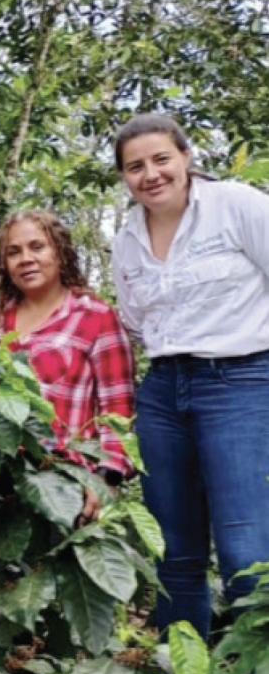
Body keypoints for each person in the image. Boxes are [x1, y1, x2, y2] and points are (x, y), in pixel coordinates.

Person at [111, 113, 269, 639]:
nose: (150, 174)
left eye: (161, 159)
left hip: (242, 383)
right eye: (135, 167)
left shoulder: (237, 205)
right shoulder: (126, 239)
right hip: (162, 392)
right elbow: (134, 320)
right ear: (124, 177)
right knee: (174, 552)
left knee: (246, 554)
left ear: (185, 157)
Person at [0, 211, 135, 518]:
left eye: (37, 247)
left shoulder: (94, 315)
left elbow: (117, 406)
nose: (26, 259)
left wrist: (104, 479)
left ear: (59, 251)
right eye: (13, 252)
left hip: (66, 481)